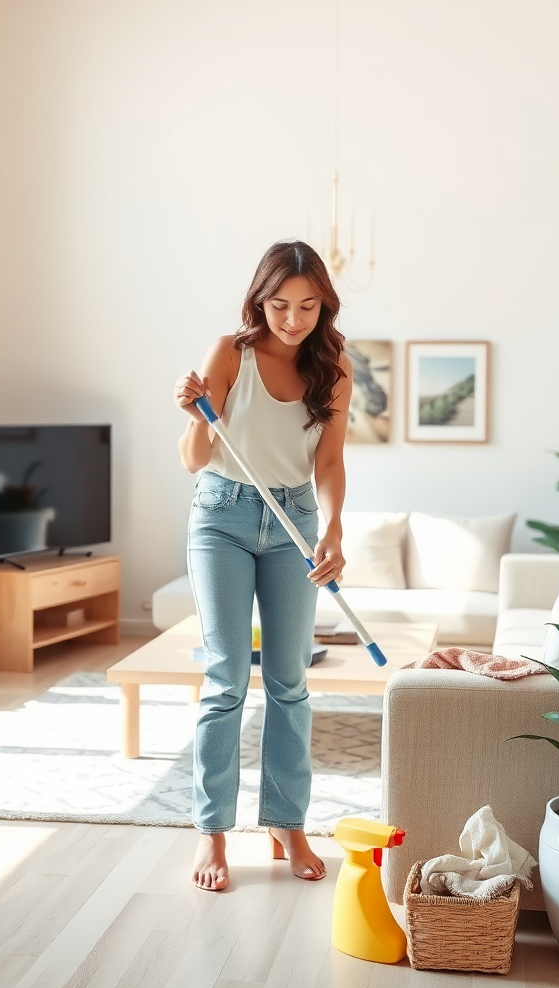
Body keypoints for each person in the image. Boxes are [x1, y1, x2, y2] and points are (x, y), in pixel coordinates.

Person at [173, 240, 353, 891]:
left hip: (294, 525)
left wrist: (332, 529)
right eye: (280, 304)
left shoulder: (334, 369)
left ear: (322, 305)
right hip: (221, 515)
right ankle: (211, 835)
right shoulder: (230, 354)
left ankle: (287, 824)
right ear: (260, 299)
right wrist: (197, 413)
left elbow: (328, 462)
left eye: (308, 305)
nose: (293, 318)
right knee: (225, 678)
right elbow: (195, 458)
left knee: (289, 682)